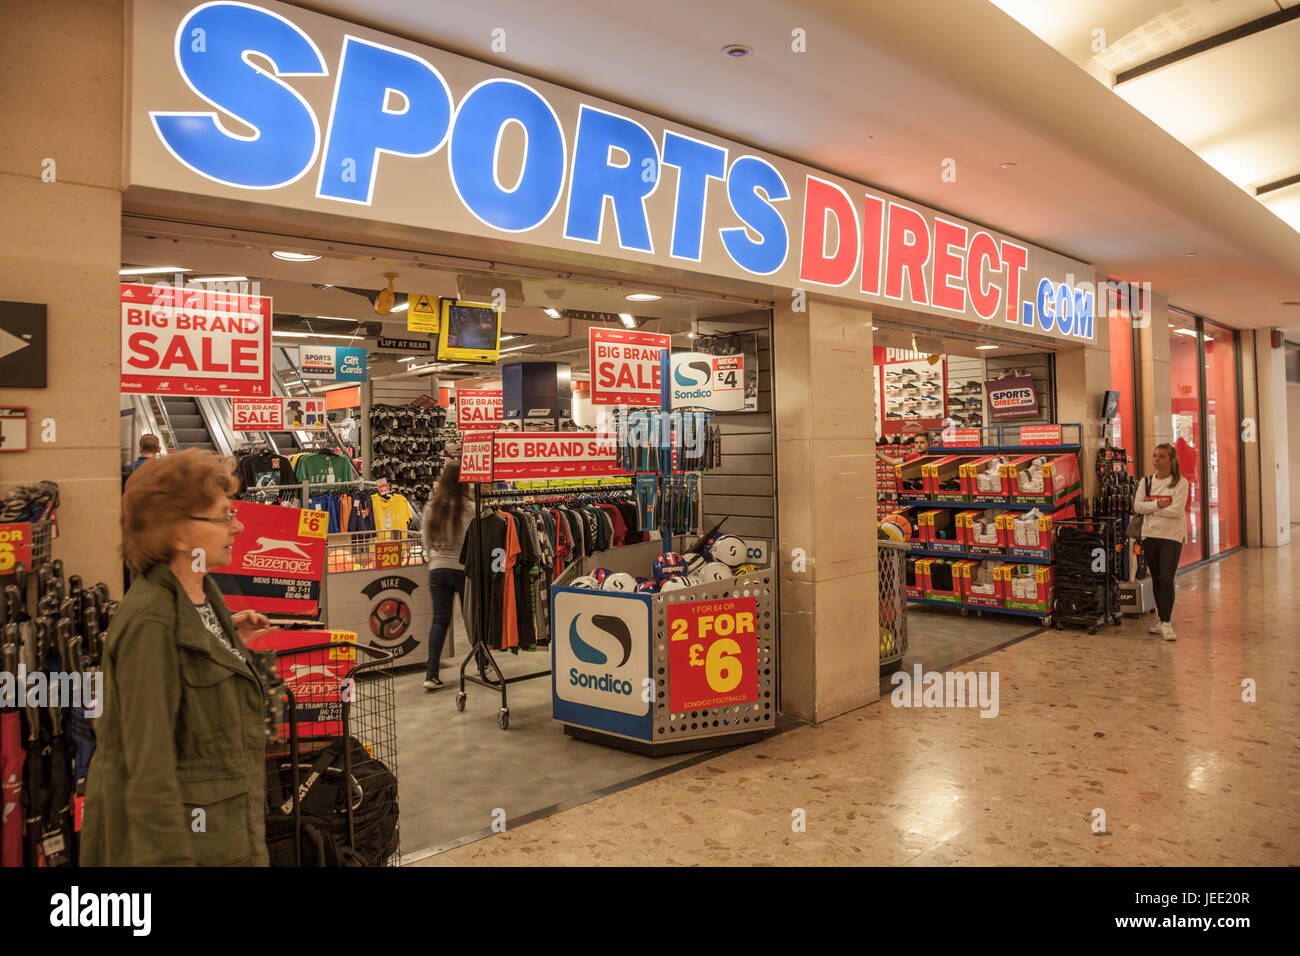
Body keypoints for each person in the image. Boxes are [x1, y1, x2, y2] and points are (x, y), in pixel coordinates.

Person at [82, 449, 275, 866]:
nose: (238, 526)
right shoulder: (151, 623)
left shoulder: (203, 595)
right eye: (223, 517)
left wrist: (225, 638)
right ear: (179, 533)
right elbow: (148, 771)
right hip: (184, 844)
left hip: (220, 833)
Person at [420, 460, 475, 690]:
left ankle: (431, 675)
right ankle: (482, 664)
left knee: (439, 621)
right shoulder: (470, 508)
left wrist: (434, 560)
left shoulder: (432, 507)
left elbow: (426, 542)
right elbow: (474, 542)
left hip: (438, 570)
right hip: (462, 570)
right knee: (472, 618)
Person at [1133, 442, 1190, 642]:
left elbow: (1176, 511)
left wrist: (1151, 506)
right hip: (1150, 535)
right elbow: (1138, 507)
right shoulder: (1146, 482)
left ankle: (1166, 622)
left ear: (1172, 460)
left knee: (1167, 578)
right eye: (1155, 455)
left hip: (1172, 537)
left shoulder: (1181, 483)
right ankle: (1160, 618)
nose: (1157, 459)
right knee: (1156, 579)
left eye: (1162, 456)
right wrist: (1158, 504)